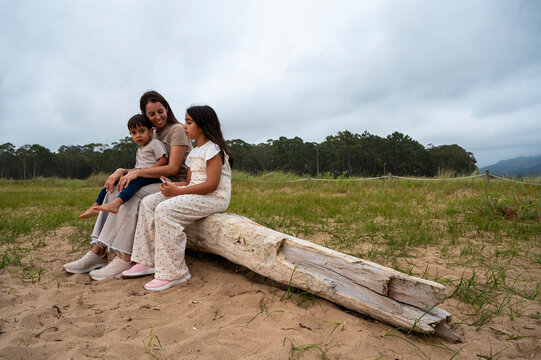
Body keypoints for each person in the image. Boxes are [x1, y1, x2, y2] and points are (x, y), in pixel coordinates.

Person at [63, 91, 192, 280]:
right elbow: (144, 166)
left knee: (135, 194)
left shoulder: (176, 130)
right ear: (144, 115)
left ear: (167, 108)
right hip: (153, 179)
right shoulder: (151, 133)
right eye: (151, 114)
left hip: (173, 183)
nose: (157, 117)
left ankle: (125, 256)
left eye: (160, 111)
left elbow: (171, 168)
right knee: (114, 187)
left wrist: (136, 173)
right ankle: (98, 252)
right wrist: (121, 171)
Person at [121, 105, 233, 291]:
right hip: (195, 192)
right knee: (149, 202)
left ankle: (174, 272)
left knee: (165, 210)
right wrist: (172, 187)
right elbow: (189, 181)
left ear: (203, 125)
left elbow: (212, 185)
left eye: (189, 122)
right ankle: (148, 260)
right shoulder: (195, 151)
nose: (184, 126)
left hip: (214, 197)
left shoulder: (214, 149)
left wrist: (178, 192)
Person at [79, 114, 168, 219]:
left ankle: (117, 203)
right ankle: (96, 205)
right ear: (130, 134)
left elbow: (163, 160)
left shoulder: (155, 143)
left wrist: (149, 171)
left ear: (150, 131)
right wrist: (129, 173)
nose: (138, 135)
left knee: (133, 183)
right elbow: (137, 168)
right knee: (113, 181)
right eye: (134, 133)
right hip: (140, 174)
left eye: (142, 131)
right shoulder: (139, 150)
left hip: (152, 177)